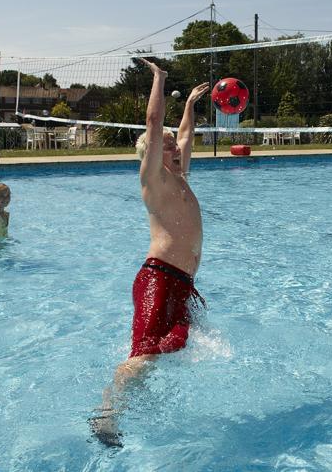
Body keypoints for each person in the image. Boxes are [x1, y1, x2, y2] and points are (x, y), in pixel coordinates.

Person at [90, 59, 210, 447]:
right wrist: (159, 79)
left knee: (175, 346)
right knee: (142, 355)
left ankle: (138, 399)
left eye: (176, 147)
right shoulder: (154, 181)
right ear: (153, 154)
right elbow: (155, 124)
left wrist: (190, 102)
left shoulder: (178, 175)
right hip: (158, 278)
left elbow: (186, 133)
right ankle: (105, 415)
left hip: (181, 283)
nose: (177, 149)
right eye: (169, 146)